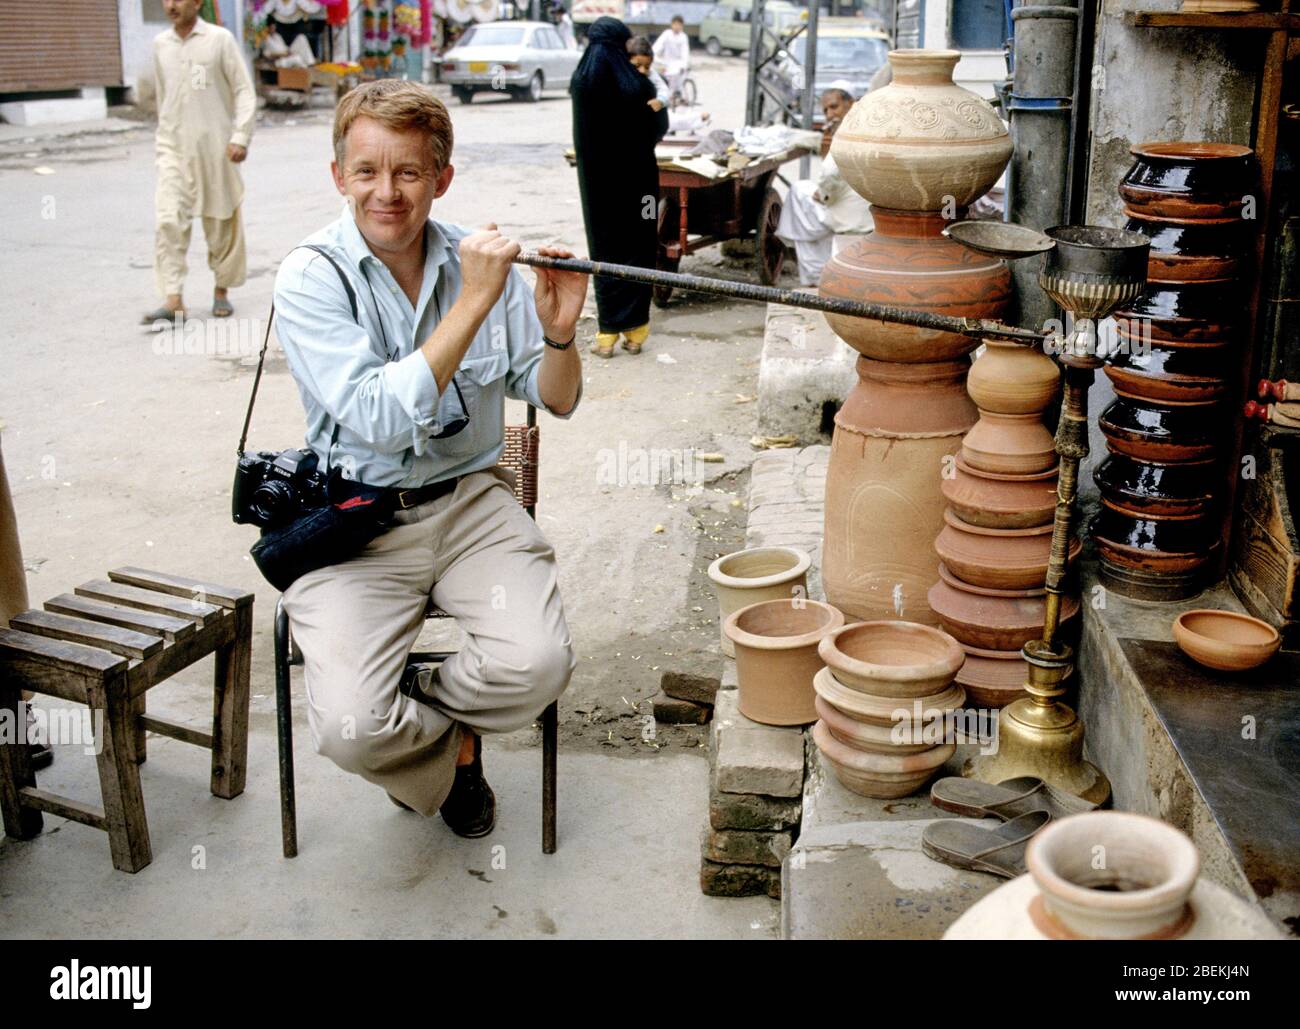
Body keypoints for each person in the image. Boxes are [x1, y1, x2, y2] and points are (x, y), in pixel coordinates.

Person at [271, 80, 587, 837]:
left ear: (441, 179)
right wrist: (475, 300)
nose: (388, 192)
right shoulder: (311, 277)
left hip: (471, 504)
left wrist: (560, 332)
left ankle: (429, 705)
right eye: (367, 171)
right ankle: (449, 757)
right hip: (356, 519)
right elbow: (379, 418)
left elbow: (558, 399)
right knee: (349, 727)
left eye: (409, 172)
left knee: (538, 664)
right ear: (338, 175)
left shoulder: (475, 264)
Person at [143, 0, 256, 325]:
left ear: (197, 2)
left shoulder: (220, 39)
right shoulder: (160, 44)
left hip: (216, 149)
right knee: (168, 220)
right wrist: (163, 139)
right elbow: (165, 98)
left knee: (221, 223)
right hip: (173, 149)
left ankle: (221, 290)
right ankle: (174, 298)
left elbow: (244, 91)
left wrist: (240, 136)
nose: (171, 5)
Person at [570, 18, 665, 357]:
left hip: (598, 192)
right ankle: (637, 332)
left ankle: (606, 337)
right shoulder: (638, 86)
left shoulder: (580, 82)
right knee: (642, 244)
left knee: (604, 251)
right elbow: (658, 128)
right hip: (643, 191)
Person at [775, 86, 873, 286]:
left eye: (834, 107)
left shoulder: (849, 132)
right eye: (826, 111)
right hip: (864, 211)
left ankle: (811, 270)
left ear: (851, 103)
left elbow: (829, 173)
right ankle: (809, 264)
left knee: (798, 194)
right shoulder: (868, 125)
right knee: (804, 205)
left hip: (851, 214)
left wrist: (824, 194)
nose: (830, 114)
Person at [652, 15, 691, 101]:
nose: (677, 27)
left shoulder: (683, 36)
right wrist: (653, 54)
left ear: (682, 26)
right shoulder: (667, 34)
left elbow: (685, 52)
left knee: (678, 75)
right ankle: (667, 94)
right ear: (672, 24)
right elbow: (657, 46)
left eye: (679, 25)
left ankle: (679, 95)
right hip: (667, 61)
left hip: (679, 62)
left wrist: (684, 64)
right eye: (675, 24)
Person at [628, 36, 670, 113]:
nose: (642, 70)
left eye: (647, 67)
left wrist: (660, 101)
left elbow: (663, 88)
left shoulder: (651, 74)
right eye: (637, 65)